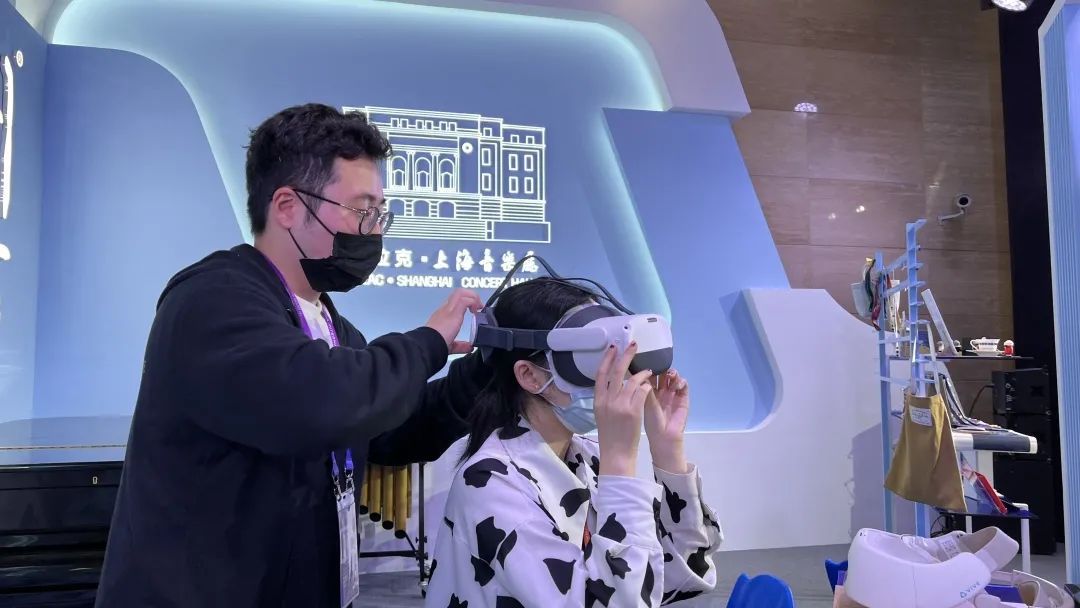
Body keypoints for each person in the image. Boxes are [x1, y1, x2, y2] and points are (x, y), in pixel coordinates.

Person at [95, 104, 490, 607]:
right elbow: (324, 403)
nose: (374, 230)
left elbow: (388, 427)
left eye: (380, 214)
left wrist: (485, 372)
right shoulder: (212, 300)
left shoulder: (330, 324)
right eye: (361, 210)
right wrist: (428, 342)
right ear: (286, 206)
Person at [425, 278, 723, 608]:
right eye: (588, 361)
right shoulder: (491, 483)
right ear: (529, 375)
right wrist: (619, 461)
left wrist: (667, 452)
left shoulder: (587, 458)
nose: (610, 377)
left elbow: (679, 577)